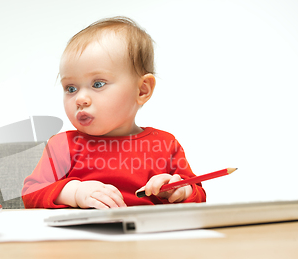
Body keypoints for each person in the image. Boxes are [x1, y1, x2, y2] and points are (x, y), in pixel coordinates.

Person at [22, 16, 206, 209]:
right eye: (70, 88)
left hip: (149, 236)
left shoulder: (166, 145)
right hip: (83, 237)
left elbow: (199, 194)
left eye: (98, 84)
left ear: (142, 90)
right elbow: (31, 193)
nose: (80, 99)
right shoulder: (61, 146)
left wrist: (180, 190)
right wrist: (74, 192)